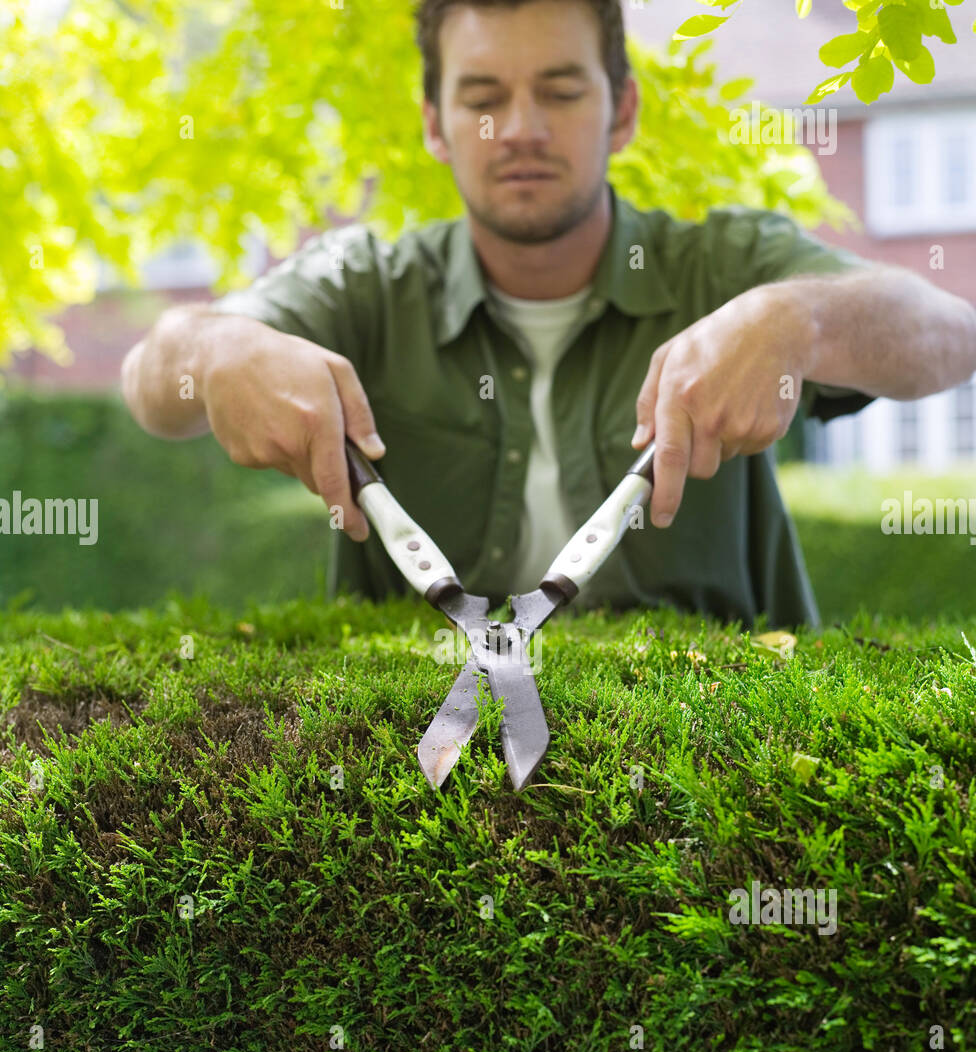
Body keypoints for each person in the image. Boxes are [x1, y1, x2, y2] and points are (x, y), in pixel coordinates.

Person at [121, 0, 976, 628]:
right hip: (399, 799)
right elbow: (153, 383)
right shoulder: (363, 283)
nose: (520, 128)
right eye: (484, 97)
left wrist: (801, 323)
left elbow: (952, 334)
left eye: (562, 91)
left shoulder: (721, 266)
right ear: (435, 123)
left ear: (624, 110)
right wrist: (221, 348)